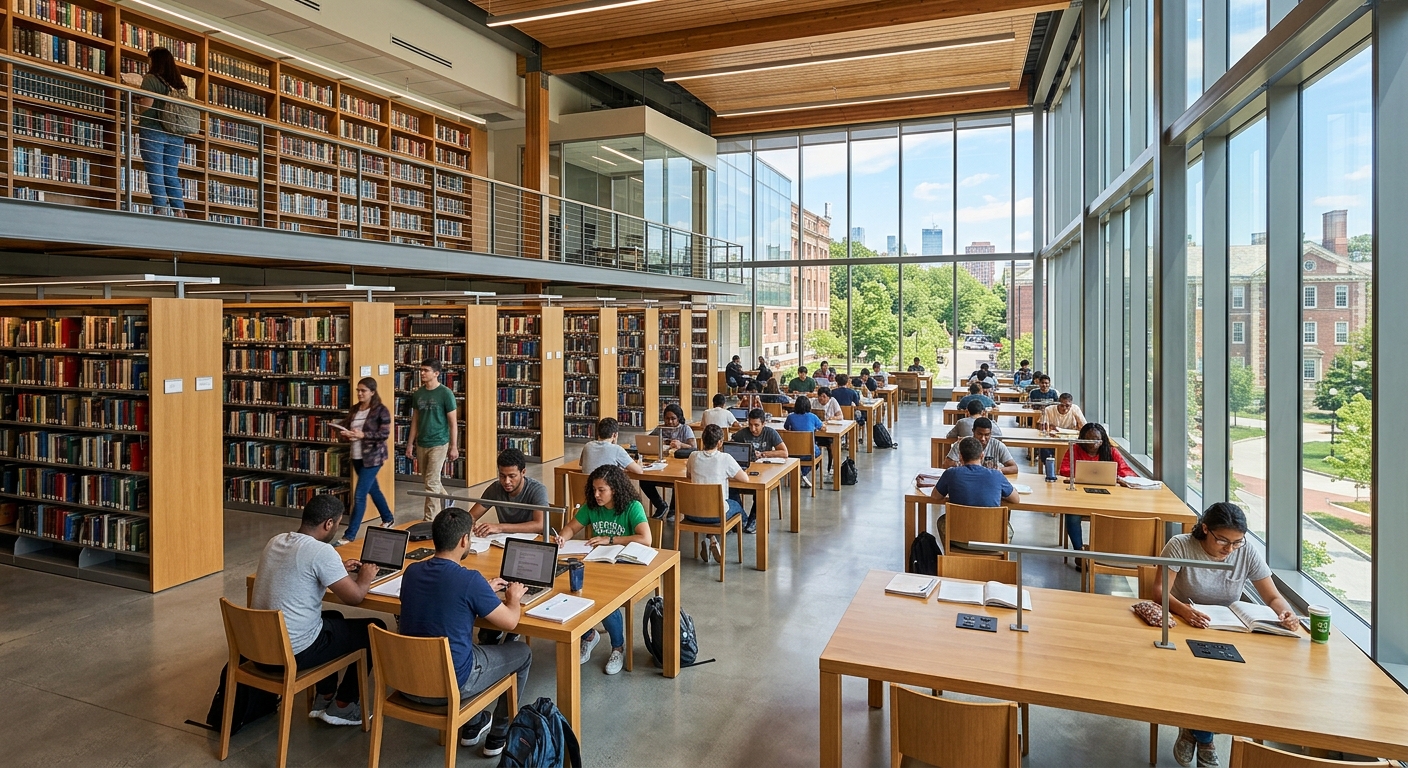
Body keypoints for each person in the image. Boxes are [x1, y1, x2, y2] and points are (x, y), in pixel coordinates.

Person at [1155, 503, 1300, 768]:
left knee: (1231, 679)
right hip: (1185, 624)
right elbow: (1160, 591)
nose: (1229, 549)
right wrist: (1186, 611)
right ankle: (1206, 738)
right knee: (1204, 675)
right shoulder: (1180, 545)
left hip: (1229, 628)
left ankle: (1191, 728)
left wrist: (1286, 613)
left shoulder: (1246, 552)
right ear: (1205, 529)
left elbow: (1272, 596)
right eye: (1222, 540)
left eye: (1237, 543)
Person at [398, 508, 532, 756]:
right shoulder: (469, 580)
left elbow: (442, 602)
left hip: (407, 681)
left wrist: (483, 591)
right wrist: (512, 598)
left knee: (465, 644)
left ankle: (473, 723)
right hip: (451, 685)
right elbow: (511, 622)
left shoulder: (411, 572)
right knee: (522, 652)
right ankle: (499, 735)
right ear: (463, 540)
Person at [251, 495, 384, 726]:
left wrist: (336, 570)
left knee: (334, 617)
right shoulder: (322, 551)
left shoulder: (276, 540)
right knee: (374, 629)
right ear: (328, 524)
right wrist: (365, 577)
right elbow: (354, 597)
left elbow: (299, 571)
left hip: (257, 649)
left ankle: (324, 697)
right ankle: (344, 706)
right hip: (292, 653)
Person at [554, 465, 651, 675]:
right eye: (594, 489)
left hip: (625, 566)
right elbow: (571, 527)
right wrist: (563, 537)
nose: (596, 495)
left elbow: (646, 539)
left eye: (602, 490)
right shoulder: (592, 506)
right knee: (571, 588)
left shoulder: (631, 506)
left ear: (614, 489)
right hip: (598, 563)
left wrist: (611, 539)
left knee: (606, 600)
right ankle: (588, 635)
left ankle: (618, 647)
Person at [1057, 422, 1134, 550]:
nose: (1093, 443)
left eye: (1097, 440)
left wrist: (1119, 478)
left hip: (1107, 497)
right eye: (1089, 439)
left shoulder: (1111, 451)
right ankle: (1079, 551)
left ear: (1103, 440)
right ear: (1082, 439)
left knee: (1113, 515)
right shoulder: (1075, 449)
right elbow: (1064, 470)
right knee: (1072, 515)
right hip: (1079, 496)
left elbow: (1127, 472)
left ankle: (1101, 551)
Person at [337, 376, 393, 546]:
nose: (360, 393)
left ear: (372, 392)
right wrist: (346, 433)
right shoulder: (355, 409)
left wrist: (363, 435)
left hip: (373, 457)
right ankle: (388, 518)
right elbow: (349, 427)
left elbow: (384, 434)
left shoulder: (381, 410)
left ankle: (350, 535)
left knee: (360, 495)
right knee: (373, 489)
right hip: (356, 456)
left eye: (363, 390)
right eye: (358, 390)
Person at [134, 47, 190, 217]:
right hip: (176, 133)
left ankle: (159, 209)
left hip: (153, 130)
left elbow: (147, 105)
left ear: (154, 61)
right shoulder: (180, 85)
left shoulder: (150, 79)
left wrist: (137, 104)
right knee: (171, 172)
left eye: (149, 59)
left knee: (155, 170)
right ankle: (179, 211)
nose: (148, 63)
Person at [684, 424, 749, 563]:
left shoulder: (693, 456)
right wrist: (727, 474)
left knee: (710, 505)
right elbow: (745, 479)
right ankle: (744, 526)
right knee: (736, 506)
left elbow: (688, 475)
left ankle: (711, 539)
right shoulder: (725, 458)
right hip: (716, 515)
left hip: (691, 512)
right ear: (720, 443)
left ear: (702, 439)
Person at [405, 358, 459, 521]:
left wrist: (454, 446)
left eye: (426, 370)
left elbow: (453, 423)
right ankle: (446, 499)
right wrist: (410, 444)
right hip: (422, 442)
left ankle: (430, 520)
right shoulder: (418, 394)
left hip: (439, 442)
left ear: (436, 374)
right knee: (430, 481)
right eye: (421, 370)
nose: (422, 373)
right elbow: (415, 420)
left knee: (431, 481)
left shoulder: (445, 394)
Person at [730, 409, 788, 533]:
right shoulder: (742, 434)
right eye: (750, 424)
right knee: (730, 487)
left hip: (763, 472)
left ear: (763, 424)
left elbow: (784, 452)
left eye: (756, 425)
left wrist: (764, 454)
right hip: (745, 471)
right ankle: (741, 518)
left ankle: (753, 519)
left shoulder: (770, 433)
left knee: (759, 490)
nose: (753, 428)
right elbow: (731, 451)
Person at [467, 449, 547, 536]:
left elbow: (540, 525)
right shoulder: (495, 488)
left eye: (512, 476)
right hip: (504, 540)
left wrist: (500, 527)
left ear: (523, 472)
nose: (506, 481)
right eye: (502, 476)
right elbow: (470, 517)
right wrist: (471, 526)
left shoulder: (537, 490)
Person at [640, 403, 695, 519]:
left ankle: (673, 509)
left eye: (673, 419)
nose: (670, 422)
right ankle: (660, 505)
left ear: (679, 418)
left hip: (679, 464)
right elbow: (647, 440)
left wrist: (681, 445)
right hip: (662, 463)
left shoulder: (685, 429)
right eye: (667, 418)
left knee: (677, 480)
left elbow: (694, 447)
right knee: (644, 480)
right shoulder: (660, 429)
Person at [934, 437, 1020, 508]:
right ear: (982, 455)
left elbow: (936, 496)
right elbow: (1016, 499)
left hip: (958, 527)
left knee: (941, 521)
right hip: (990, 528)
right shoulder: (996, 475)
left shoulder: (950, 473)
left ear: (960, 457)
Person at [944, 418, 1018, 474]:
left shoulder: (998, 445)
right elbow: (946, 465)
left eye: (987, 435)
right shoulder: (963, 443)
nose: (983, 439)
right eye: (979, 434)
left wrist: (998, 470)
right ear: (973, 431)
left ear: (991, 433)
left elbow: (1014, 468)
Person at [580, 417, 645, 475]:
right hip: (607, 487)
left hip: (588, 487)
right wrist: (639, 464)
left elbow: (581, 464)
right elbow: (639, 471)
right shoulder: (617, 449)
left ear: (598, 433)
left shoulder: (587, 446)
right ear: (615, 435)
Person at [783, 395, 824, 488]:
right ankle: (803, 474)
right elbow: (823, 428)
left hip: (792, 451)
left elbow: (786, 427)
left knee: (805, 454)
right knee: (818, 452)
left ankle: (799, 473)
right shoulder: (813, 417)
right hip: (808, 452)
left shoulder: (790, 417)